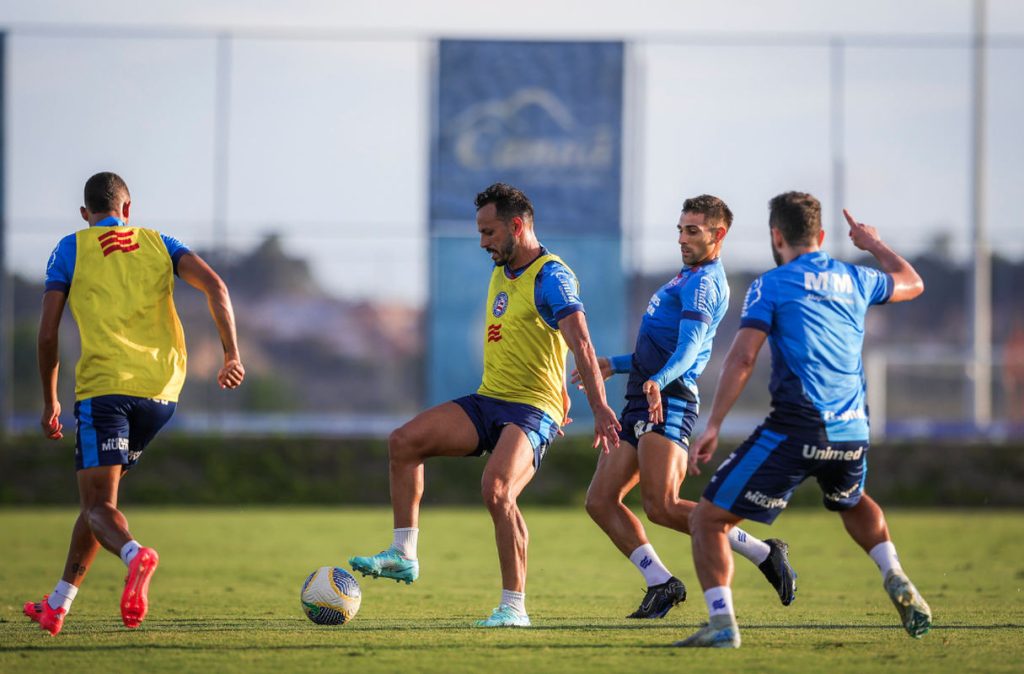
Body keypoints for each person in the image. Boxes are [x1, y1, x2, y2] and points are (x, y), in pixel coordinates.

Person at [350, 182, 621, 627]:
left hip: (532, 410)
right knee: (404, 442)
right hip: (489, 399)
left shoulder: (552, 276)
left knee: (497, 489)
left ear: (517, 225)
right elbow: (537, 342)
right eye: (480, 233)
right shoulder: (502, 268)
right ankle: (403, 553)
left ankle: (514, 608)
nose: (482, 242)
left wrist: (600, 406)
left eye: (489, 232)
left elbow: (582, 344)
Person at [678, 192, 930, 648]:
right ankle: (894, 573)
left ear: (777, 236)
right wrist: (873, 243)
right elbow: (912, 282)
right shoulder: (855, 277)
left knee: (709, 519)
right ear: (822, 236)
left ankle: (721, 624)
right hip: (853, 429)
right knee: (852, 501)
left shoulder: (771, 285)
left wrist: (713, 424)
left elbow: (741, 359)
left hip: (798, 427)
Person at [23, 172, 245, 636]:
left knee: (97, 505)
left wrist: (49, 401)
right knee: (99, 503)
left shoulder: (72, 248)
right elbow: (217, 288)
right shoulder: (159, 242)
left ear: (86, 215)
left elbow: (47, 333)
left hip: (106, 390)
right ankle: (58, 604)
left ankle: (135, 555)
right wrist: (230, 355)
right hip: (162, 393)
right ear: (128, 209)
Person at [579, 195, 796, 620]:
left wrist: (657, 381)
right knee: (601, 500)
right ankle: (662, 582)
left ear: (719, 235)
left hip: (670, 400)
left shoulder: (704, 282)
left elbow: (688, 350)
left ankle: (764, 552)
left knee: (662, 505)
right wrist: (616, 365)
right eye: (680, 229)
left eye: (692, 230)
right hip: (643, 398)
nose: (682, 237)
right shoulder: (685, 277)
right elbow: (658, 348)